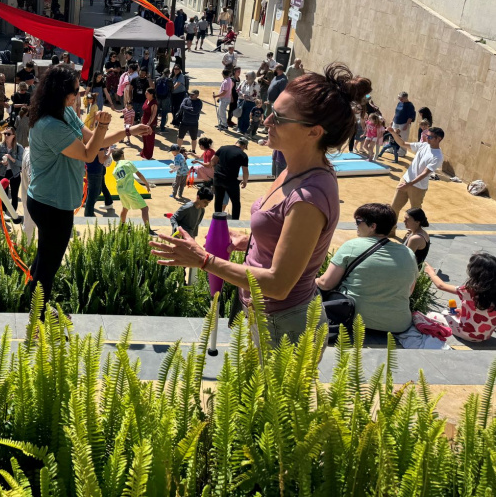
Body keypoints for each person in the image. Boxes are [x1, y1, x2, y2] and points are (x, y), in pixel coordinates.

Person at [151, 64, 371, 345]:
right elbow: (280, 232)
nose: (266, 121)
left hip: (283, 325)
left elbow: (278, 285)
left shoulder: (309, 197)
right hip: (263, 314)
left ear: (314, 132)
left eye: (279, 118)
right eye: (270, 110)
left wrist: (202, 260)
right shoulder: (293, 169)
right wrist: (253, 241)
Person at [27, 65, 152, 303]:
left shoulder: (64, 112)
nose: (79, 94)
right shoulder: (50, 125)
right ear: (60, 92)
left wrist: (128, 131)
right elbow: (88, 153)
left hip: (54, 200)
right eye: (75, 90)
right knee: (49, 266)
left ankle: (33, 303)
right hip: (50, 203)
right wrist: (103, 125)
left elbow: (94, 140)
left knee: (45, 258)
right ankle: (38, 317)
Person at [316, 203, 417, 334]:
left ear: (373, 226)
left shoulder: (352, 246)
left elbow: (326, 284)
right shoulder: (408, 253)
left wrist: (311, 281)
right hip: (398, 326)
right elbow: (409, 291)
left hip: (354, 322)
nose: (356, 225)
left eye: (358, 221)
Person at [423, 253, 496, 342]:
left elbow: (441, 286)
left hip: (466, 334)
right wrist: (463, 312)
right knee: (456, 312)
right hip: (485, 336)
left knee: (436, 314)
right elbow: (484, 312)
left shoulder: (470, 291)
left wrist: (431, 273)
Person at [386, 125, 444, 221]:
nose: (427, 138)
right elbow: (403, 143)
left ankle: (412, 233)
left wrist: (409, 184)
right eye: (427, 136)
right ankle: (391, 231)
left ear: (439, 139)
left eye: (430, 137)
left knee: (414, 213)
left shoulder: (438, 157)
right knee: (393, 208)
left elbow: (425, 173)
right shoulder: (424, 145)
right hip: (405, 180)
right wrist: (393, 133)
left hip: (418, 187)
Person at [112, 147, 153, 233]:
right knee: (144, 208)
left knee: (125, 207)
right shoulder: (128, 163)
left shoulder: (115, 169)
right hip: (129, 189)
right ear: (122, 155)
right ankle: (148, 229)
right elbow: (139, 174)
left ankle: (122, 226)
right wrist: (146, 183)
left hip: (120, 190)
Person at [211, 137, 250, 219]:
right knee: (236, 203)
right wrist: (245, 181)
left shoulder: (223, 148)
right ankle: (235, 222)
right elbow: (245, 171)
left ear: (236, 142)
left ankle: (217, 220)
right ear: (244, 146)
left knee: (218, 200)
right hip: (231, 181)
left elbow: (213, 160)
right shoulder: (242, 155)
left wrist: (216, 170)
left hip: (218, 178)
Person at [0, 127, 25, 210]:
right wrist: (1, 162)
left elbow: (21, 163)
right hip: (3, 173)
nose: (6, 136)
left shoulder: (19, 148)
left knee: (14, 194)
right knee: (4, 194)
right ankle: (4, 212)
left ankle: (13, 213)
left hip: (15, 173)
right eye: (5, 134)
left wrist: (11, 159)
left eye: (8, 134)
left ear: (13, 136)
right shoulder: (0, 146)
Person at [84, 146, 113, 218]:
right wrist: (109, 152)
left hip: (90, 169)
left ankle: (88, 210)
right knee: (94, 193)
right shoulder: (99, 146)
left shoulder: (90, 142)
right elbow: (101, 160)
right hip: (95, 171)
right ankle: (89, 213)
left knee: (94, 190)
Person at [176, 89, 203, 154]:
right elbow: (181, 107)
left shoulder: (199, 102)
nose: (191, 95)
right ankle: (178, 149)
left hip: (194, 123)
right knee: (180, 136)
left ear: (197, 95)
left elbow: (195, 112)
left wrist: (186, 109)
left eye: (192, 94)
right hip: (184, 122)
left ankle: (193, 150)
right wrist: (190, 108)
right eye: (190, 94)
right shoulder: (186, 100)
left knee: (194, 138)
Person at [139, 88, 158, 159]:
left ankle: (148, 155)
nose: (145, 94)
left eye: (147, 93)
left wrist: (148, 123)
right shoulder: (146, 100)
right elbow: (144, 111)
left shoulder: (154, 103)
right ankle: (143, 153)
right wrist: (142, 121)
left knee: (149, 139)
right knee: (144, 138)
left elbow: (153, 114)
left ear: (151, 94)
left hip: (150, 123)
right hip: (144, 121)